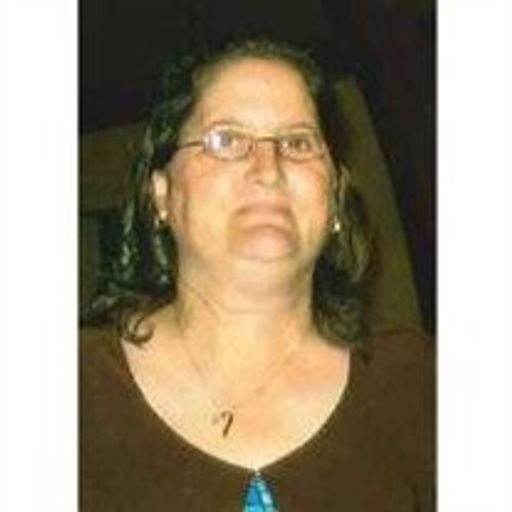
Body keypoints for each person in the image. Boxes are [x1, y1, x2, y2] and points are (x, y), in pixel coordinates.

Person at [80, 37, 434, 511]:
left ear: (334, 198)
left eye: (297, 143)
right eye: (226, 140)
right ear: (161, 195)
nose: (269, 169)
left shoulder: (424, 385)